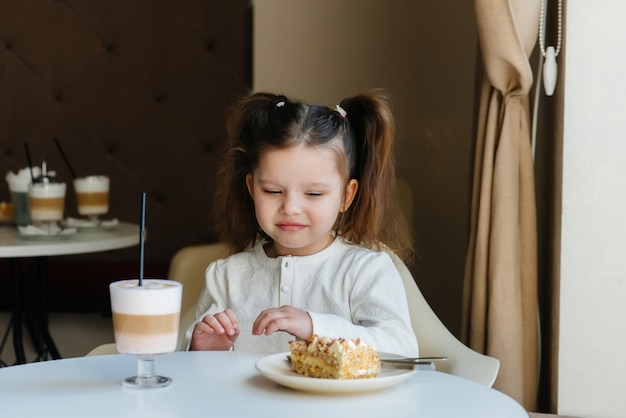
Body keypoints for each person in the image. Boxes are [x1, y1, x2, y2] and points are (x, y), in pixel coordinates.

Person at [185, 89, 419, 356]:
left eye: (314, 194)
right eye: (273, 191)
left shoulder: (365, 271)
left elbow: (402, 349)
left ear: (346, 195)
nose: (291, 208)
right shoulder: (226, 276)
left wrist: (314, 326)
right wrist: (203, 350)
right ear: (251, 188)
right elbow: (195, 374)